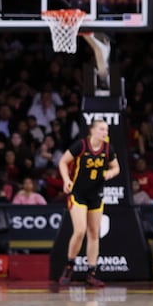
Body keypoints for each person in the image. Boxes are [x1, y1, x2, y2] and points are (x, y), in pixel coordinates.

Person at [57, 119, 120, 287]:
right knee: (79, 231)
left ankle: (91, 272)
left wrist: (110, 173)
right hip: (78, 193)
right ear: (92, 130)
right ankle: (69, 267)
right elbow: (63, 162)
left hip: (96, 194)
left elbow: (117, 167)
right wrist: (66, 180)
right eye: (101, 129)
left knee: (94, 234)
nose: (105, 132)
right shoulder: (81, 146)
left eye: (106, 129)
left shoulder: (108, 149)